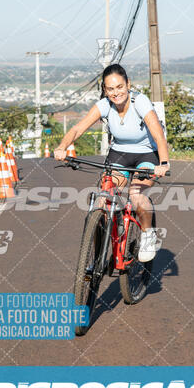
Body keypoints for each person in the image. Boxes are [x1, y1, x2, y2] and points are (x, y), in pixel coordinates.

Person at [54, 63, 170, 262]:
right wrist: (62, 147)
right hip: (119, 154)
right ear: (105, 90)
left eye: (120, 87)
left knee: (135, 194)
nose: (116, 93)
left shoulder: (140, 101)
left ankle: (148, 234)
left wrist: (164, 162)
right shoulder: (104, 105)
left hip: (147, 154)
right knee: (104, 196)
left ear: (128, 84)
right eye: (110, 89)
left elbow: (158, 134)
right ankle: (98, 250)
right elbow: (78, 129)